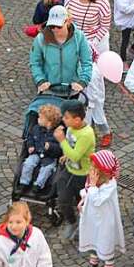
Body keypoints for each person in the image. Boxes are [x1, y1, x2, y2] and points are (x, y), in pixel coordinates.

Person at [76, 150, 124, 267]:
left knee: (105, 242)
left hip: (105, 222)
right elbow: (87, 193)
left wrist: (92, 186)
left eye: (94, 168)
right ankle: (93, 264)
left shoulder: (110, 185)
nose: (90, 170)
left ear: (103, 171)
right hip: (92, 219)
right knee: (92, 240)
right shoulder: (92, 182)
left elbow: (97, 200)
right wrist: (83, 199)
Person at [29, 5, 93, 96]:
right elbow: (34, 63)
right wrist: (41, 80)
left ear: (68, 22)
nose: (55, 30)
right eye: (52, 26)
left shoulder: (79, 37)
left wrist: (82, 82)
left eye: (59, 26)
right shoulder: (40, 39)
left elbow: (87, 62)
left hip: (72, 90)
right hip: (48, 89)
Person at [55, 100, 95, 237]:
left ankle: (84, 226)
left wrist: (62, 141)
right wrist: (65, 154)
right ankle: (72, 222)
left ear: (77, 119)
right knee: (63, 200)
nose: (63, 120)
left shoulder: (86, 134)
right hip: (68, 171)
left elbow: (77, 156)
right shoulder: (72, 128)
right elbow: (71, 147)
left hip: (83, 175)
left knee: (83, 204)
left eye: (66, 118)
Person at [18, 104, 63, 193]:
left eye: (40, 118)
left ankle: (38, 185)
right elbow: (30, 137)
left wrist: (50, 147)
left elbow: (59, 149)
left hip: (49, 156)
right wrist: (30, 146)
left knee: (47, 169)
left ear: (49, 122)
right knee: (28, 163)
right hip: (36, 152)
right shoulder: (36, 128)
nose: (38, 119)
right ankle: (24, 182)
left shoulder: (56, 134)